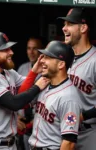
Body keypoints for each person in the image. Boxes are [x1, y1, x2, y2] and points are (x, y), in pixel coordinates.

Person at [0, 32, 49, 150]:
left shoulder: (8, 72)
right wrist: (37, 86)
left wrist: (34, 71)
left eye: (10, 49)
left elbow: (24, 89)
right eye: (5, 50)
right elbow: (14, 103)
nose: (11, 52)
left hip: (10, 143)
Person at [19, 41, 82, 150]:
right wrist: (34, 72)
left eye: (47, 57)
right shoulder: (44, 84)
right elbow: (21, 102)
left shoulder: (69, 97)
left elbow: (69, 143)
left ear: (61, 64)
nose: (41, 60)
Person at [57, 7, 96, 150]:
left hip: (88, 133)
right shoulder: (63, 58)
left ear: (83, 28)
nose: (64, 29)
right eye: (64, 25)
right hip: (62, 133)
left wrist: (83, 116)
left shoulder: (94, 60)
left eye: (69, 24)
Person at [17, 36, 44, 150]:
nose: (31, 52)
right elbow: (15, 95)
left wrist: (36, 121)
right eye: (29, 48)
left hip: (38, 121)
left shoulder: (47, 69)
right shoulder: (22, 68)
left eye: (35, 48)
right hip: (22, 122)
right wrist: (16, 118)